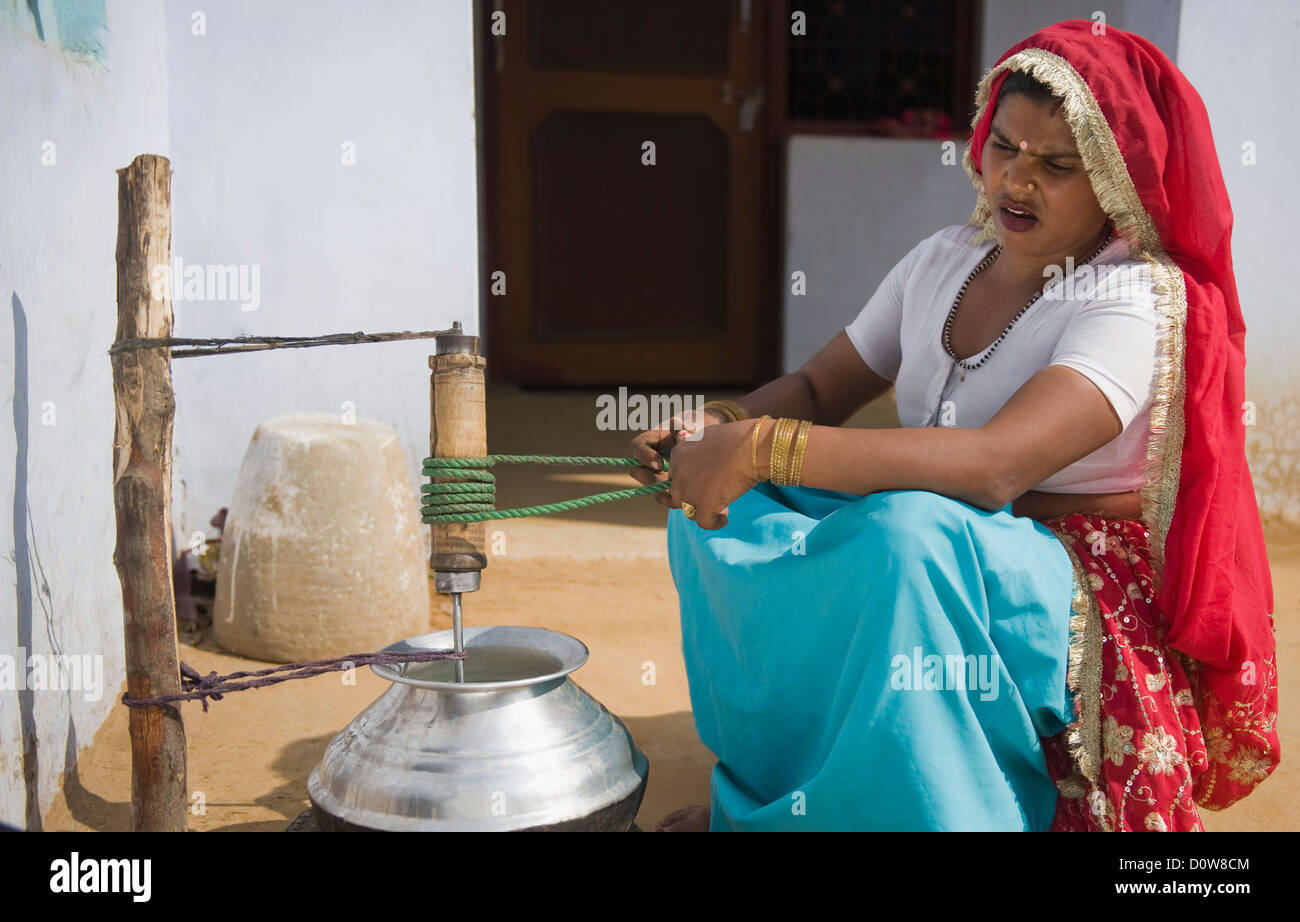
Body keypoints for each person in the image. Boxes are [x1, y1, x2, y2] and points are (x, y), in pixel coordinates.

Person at [628, 20, 1278, 832]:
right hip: (942, 525)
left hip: (1071, 571)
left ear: (1114, 180)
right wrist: (715, 430)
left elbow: (998, 468)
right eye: (1005, 147)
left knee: (905, 537)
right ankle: (780, 796)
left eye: (1056, 165)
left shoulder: (1135, 299)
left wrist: (760, 448)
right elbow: (819, 389)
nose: (1017, 180)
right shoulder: (943, 259)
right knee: (716, 511)